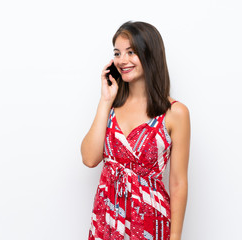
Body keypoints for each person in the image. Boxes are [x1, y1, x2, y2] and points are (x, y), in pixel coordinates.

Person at [81, 21, 190, 240]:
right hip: (107, 218)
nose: (122, 60)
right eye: (117, 53)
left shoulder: (175, 113)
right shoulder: (111, 107)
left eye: (131, 52)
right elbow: (90, 159)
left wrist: (175, 237)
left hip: (150, 221)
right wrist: (105, 100)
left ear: (150, 54)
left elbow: (178, 182)